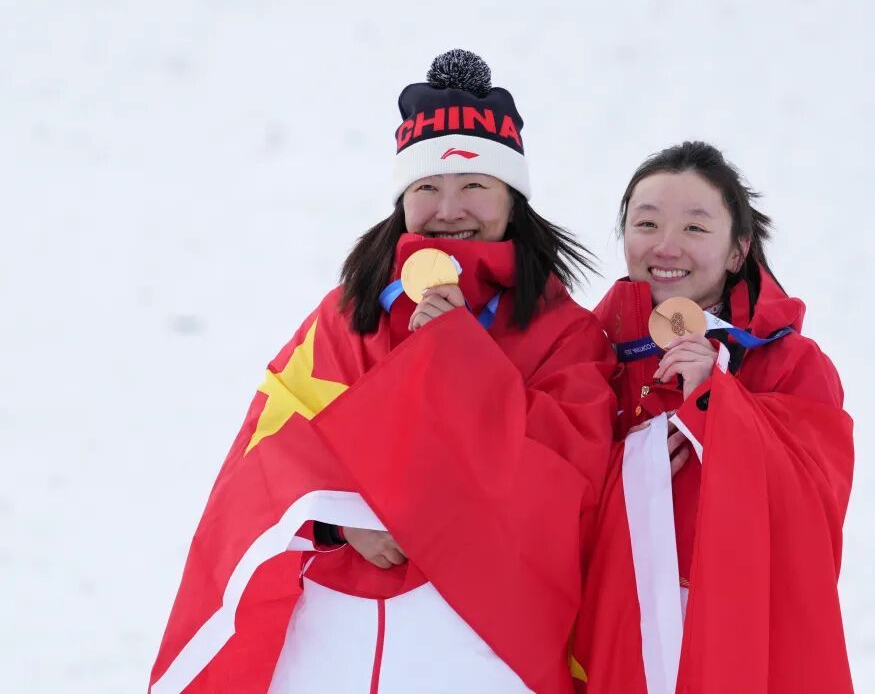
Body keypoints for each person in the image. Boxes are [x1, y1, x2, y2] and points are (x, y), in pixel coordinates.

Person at [149, 50, 616, 694]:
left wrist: (457, 360)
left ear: (513, 196)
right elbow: (269, 449)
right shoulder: (349, 314)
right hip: (330, 637)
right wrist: (340, 521)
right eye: (426, 187)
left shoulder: (566, 333)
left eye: (475, 184)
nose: (450, 208)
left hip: (483, 646)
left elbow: (572, 480)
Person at [573, 141, 855, 693]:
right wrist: (630, 472)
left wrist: (717, 404)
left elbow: (814, 510)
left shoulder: (790, 362)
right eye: (646, 223)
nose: (667, 246)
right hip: (610, 635)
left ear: (737, 250)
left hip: (735, 639)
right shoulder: (585, 352)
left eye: (696, 229)